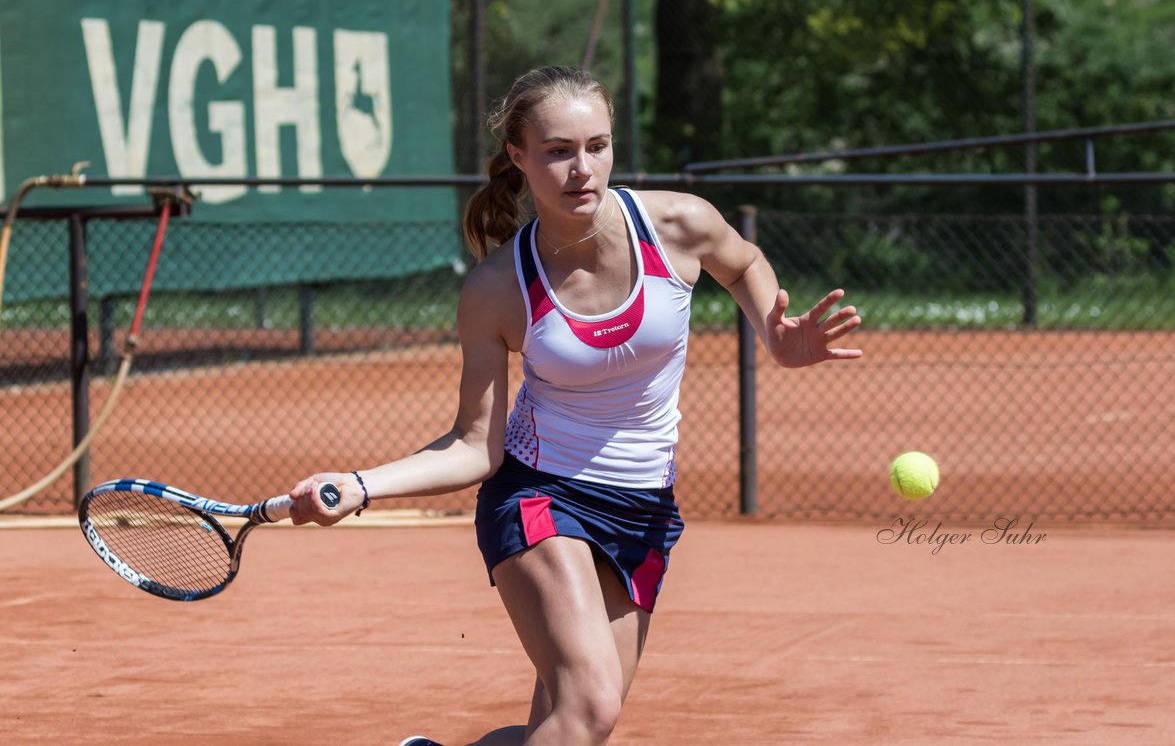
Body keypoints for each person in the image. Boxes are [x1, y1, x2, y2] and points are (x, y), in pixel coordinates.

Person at [289, 65, 863, 745]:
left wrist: (774, 331)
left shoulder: (678, 224)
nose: (582, 168)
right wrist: (359, 485)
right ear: (519, 157)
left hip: (645, 507)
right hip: (540, 494)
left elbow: (740, 264)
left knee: (572, 728)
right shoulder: (498, 287)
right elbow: (475, 444)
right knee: (589, 705)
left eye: (597, 145)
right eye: (559, 151)